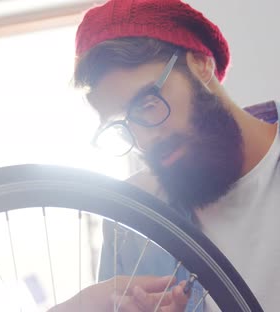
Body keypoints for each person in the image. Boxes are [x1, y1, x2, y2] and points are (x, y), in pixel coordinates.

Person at [51, 0, 279, 311]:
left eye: (148, 103)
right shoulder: (132, 222)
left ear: (201, 64)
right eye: (124, 124)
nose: (145, 140)